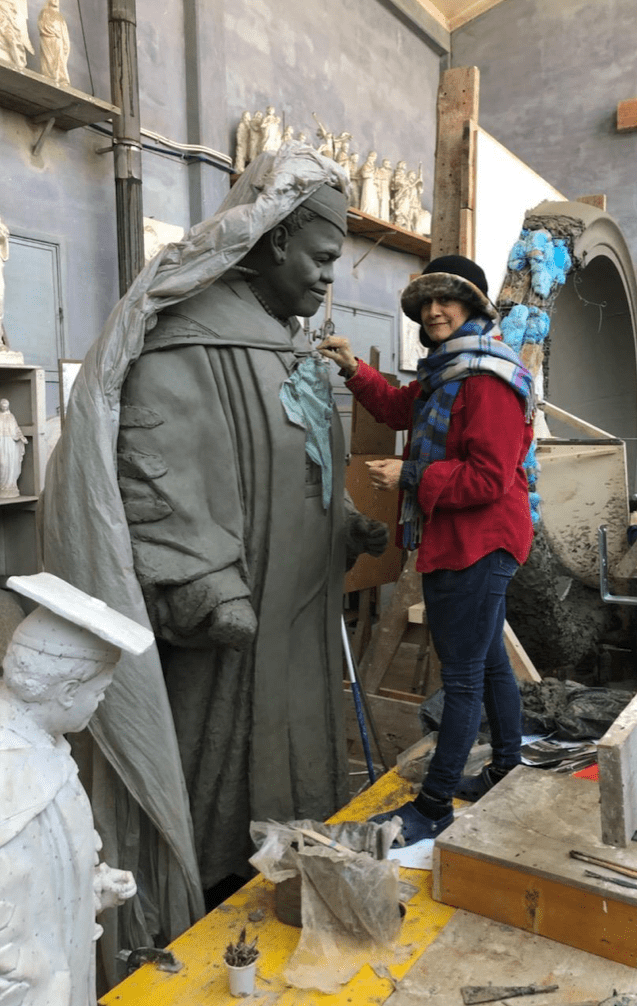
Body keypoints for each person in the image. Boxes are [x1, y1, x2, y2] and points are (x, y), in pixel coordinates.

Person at [42, 144, 384, 969]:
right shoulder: (185, 345)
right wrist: (201, 580)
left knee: (300, 757)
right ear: (270, 241)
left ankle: (286, 867)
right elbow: (161, 471)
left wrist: (340, 521)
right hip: (230, 631)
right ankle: (211, 900)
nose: (327, 279)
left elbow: (299, 459)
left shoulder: (285, 344)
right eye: (322, 257)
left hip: (297, 617)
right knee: (223, 778)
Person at [319, 255, 536, 845]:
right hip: (471, 540)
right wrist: (352, 369)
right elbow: (399, 408)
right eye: (426, 304)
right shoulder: (448, 374)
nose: (435, 311)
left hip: (478, 543)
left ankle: (433, 806)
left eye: (448, 300)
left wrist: (412, 475)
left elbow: (488, 478)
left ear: (474, 307)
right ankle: (506, 765)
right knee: (489, 662)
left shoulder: (484, 380)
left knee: (462, 680)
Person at [0, 572, 152, 1005]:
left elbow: (38, 892)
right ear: (67, 690)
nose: (101, 702)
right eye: (100, 691)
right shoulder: (10, 782)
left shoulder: (46, 752)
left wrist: (89, 890)